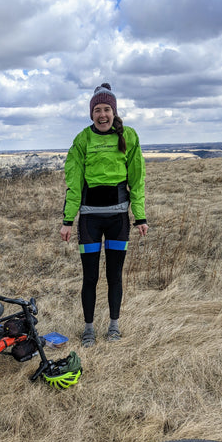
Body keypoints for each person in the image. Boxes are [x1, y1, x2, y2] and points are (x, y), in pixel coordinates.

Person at [60, 83, 148, 347]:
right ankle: (88, 328)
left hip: (118, 221)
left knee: (114, 276)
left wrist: (140, 216)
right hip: (89, 220)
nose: (102, 115)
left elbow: (137, 179)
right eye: (97, 110)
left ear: (114, 111)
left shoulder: (129, 136)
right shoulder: (82, 139)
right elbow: (74, 183)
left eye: (107, 109)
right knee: (90, 277)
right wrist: (67, 220)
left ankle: (114, 326)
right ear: (91, 113)